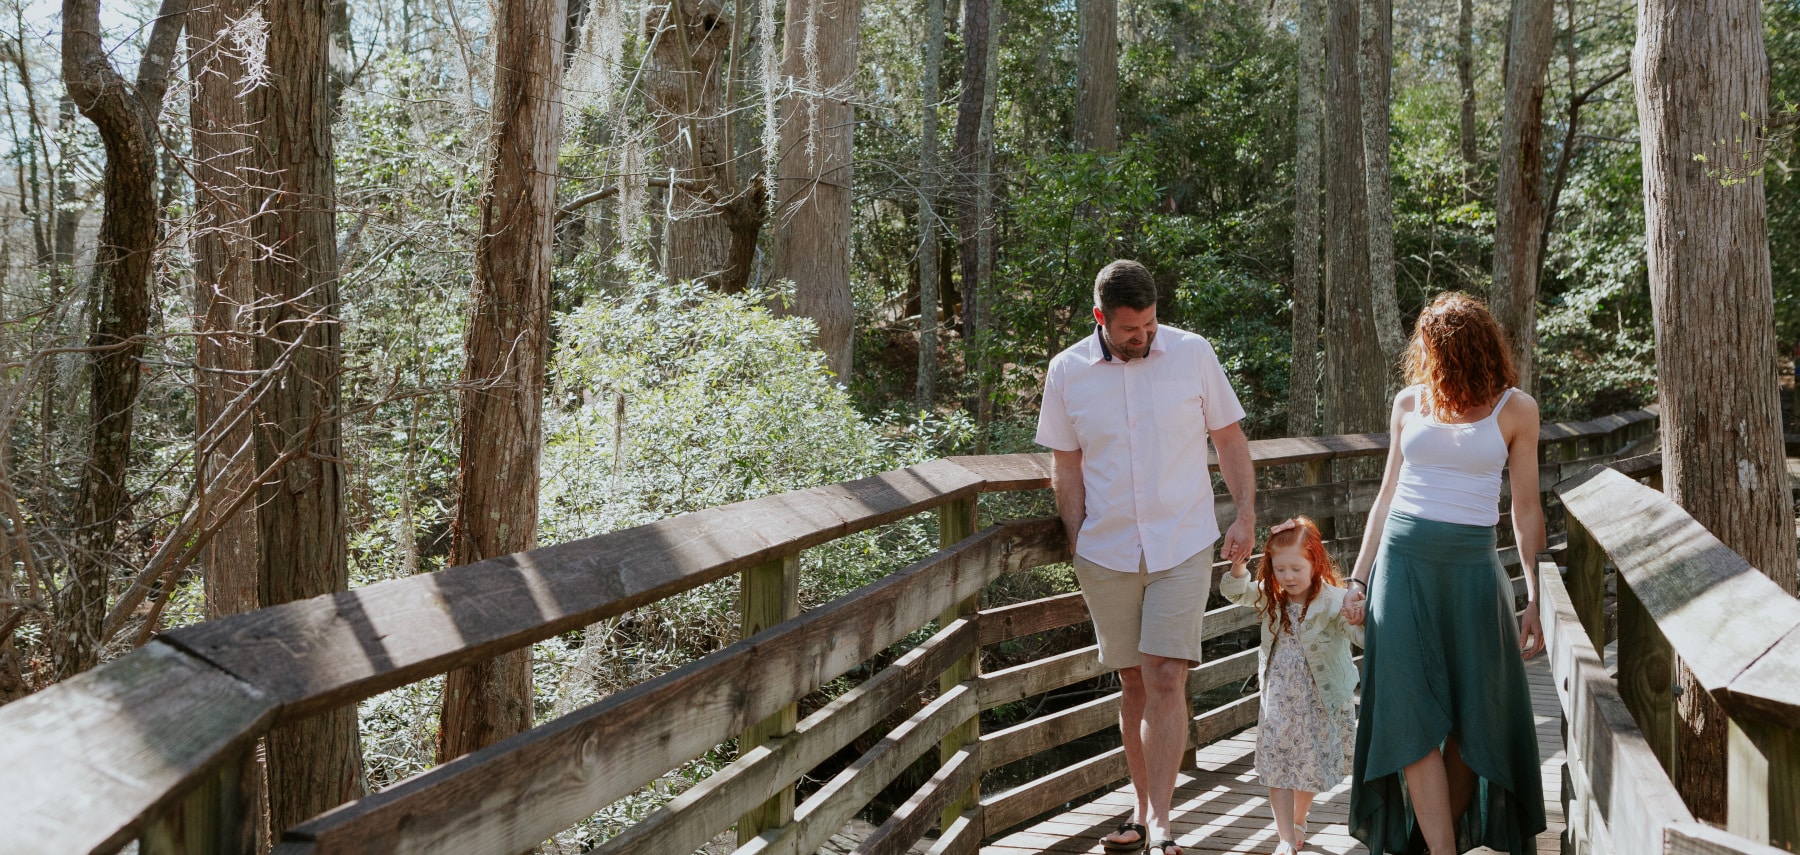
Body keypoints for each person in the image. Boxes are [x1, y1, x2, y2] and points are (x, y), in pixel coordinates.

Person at [1036, 259, 1257, 855]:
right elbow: (1066, 461)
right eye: (1131, 329)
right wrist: (1078, 537)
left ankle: (1161, 822)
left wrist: (1244, 515)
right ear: (1100, 318)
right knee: (1133, 681)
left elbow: (1229, 438)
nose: (1144, 336)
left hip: (1183, 539)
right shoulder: (1067, 371)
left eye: (1151, 324)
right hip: (1105, 550)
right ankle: (1141, 808)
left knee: (1166, 675)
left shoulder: (1193, 354)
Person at [1340, 292, 1549, 855]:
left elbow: (1525, 509)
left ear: (1467, 349)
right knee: (1407, 711)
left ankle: (1442, 838)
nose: (1427, 357)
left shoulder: (1515, 408)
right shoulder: (1409, 403)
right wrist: (1358, 580)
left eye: (1436, 348)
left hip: (1472, 574)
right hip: (1401, 568)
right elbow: (1385, 497)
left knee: (1469, 717)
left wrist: (1535, 595)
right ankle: (1442, 852)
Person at [1222, 517, 1362, 855]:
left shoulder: (1334, 599)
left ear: (1315, 562)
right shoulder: (1273, 594)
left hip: (1320, 698)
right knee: (1278, 766)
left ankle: (1299, 819)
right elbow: (1235, 592)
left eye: (1296, 568)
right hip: (1281, 697)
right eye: (1279, 568)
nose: (1288, 577)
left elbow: (1359, 638)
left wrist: (1360, 617)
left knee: (1309, 766)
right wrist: (1239, 567)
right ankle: (1285, 838)